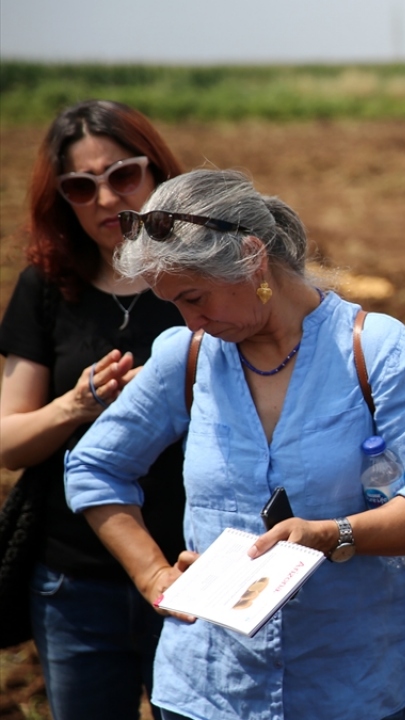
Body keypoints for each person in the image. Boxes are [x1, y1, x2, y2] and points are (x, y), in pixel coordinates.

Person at [62, 169, 405, 720]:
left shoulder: (375, 350)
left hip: (357, 683)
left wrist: (333, 535)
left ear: (253, 259)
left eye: (195, 298)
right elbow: (94, 467)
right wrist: (154, 575)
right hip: (212, 688)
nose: (192, 322)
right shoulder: (185, 356)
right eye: (175, 306)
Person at [0, 99, 186, 720]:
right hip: (75, 581)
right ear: (63, 200)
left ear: (158, 171)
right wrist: (76, 405)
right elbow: (8, 441)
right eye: (82, 186)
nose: (107, 199)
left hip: (192, 570)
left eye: (123, 175)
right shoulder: (48, 288)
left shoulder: (202, 282)